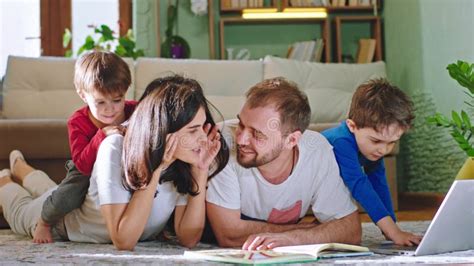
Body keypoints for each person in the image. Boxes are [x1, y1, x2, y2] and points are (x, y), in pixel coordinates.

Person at [0, 75, 229, 250]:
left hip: (73, 197)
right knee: (20, 208)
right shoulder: (115, 148)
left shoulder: (181, 161)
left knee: (50, 188)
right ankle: (6, 177)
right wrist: (156, 169)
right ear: (164, 131)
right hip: (64, 224)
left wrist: (200, 172)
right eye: (192, 130)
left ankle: (22, 167)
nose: (202, 138)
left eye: (202, 127)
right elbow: (124, 240)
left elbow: (188, 238)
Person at [206, 77, 361, 251]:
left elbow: (351, 230)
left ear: (291, 140)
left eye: (257, 134)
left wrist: (295, 239)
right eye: (241, 124)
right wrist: (316, 231)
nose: (241, 139)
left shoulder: (316, 149)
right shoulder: (221, 143)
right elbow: (228, 234)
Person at [33, 51, 138, 243]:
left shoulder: (135, 110)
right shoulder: (78, 121)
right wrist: (101, 135)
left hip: (124, 163)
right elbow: (81, 163)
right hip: (86, 167)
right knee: (67, 197)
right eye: (100, 102)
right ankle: (44, 222)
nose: (110, 109)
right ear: (83, 95)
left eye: (117, 100)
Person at [322, 79, 422, 246]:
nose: (383, 150)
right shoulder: (341, 141)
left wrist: (391, 229)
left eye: (391, 142)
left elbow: (379, 183)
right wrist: (393, 231)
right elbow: (358, 185)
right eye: (376, 141)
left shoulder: (372, 150)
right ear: (352, 126)